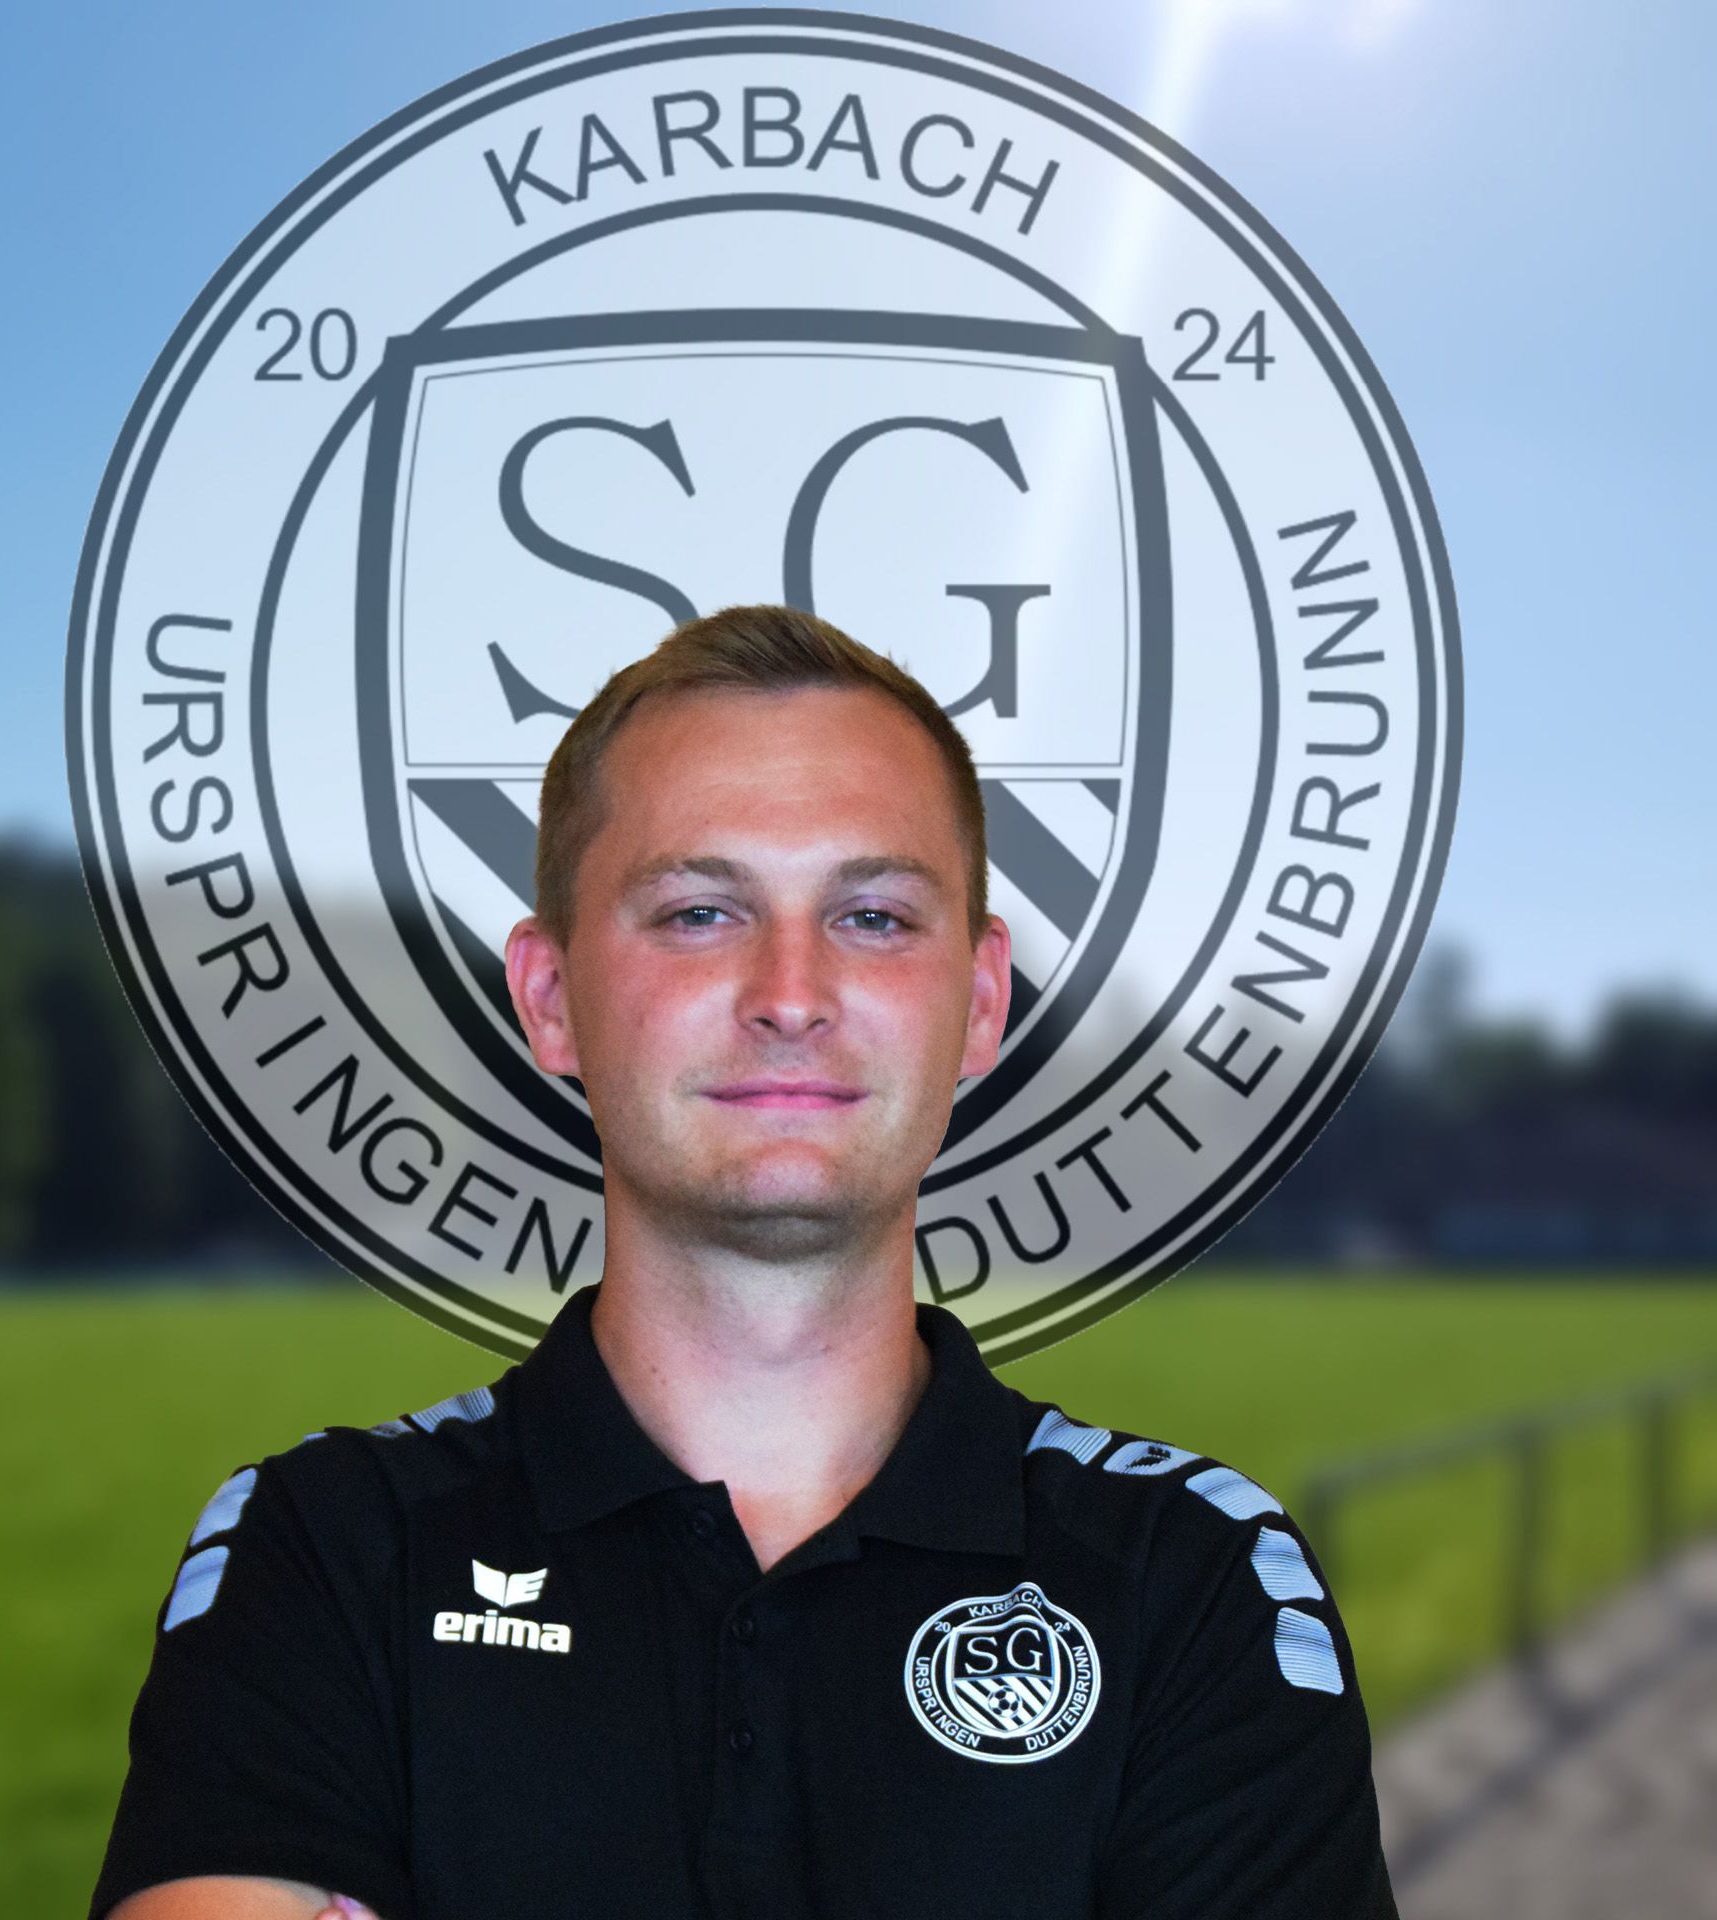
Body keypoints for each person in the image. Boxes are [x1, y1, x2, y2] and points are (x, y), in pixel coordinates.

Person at [89, 604, 1399, 1920]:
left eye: (873, 916)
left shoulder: (1194, 1582)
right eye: (701, 912)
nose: (789, 993)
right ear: (549, 998)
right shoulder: (325, 1555)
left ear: (982, 999)